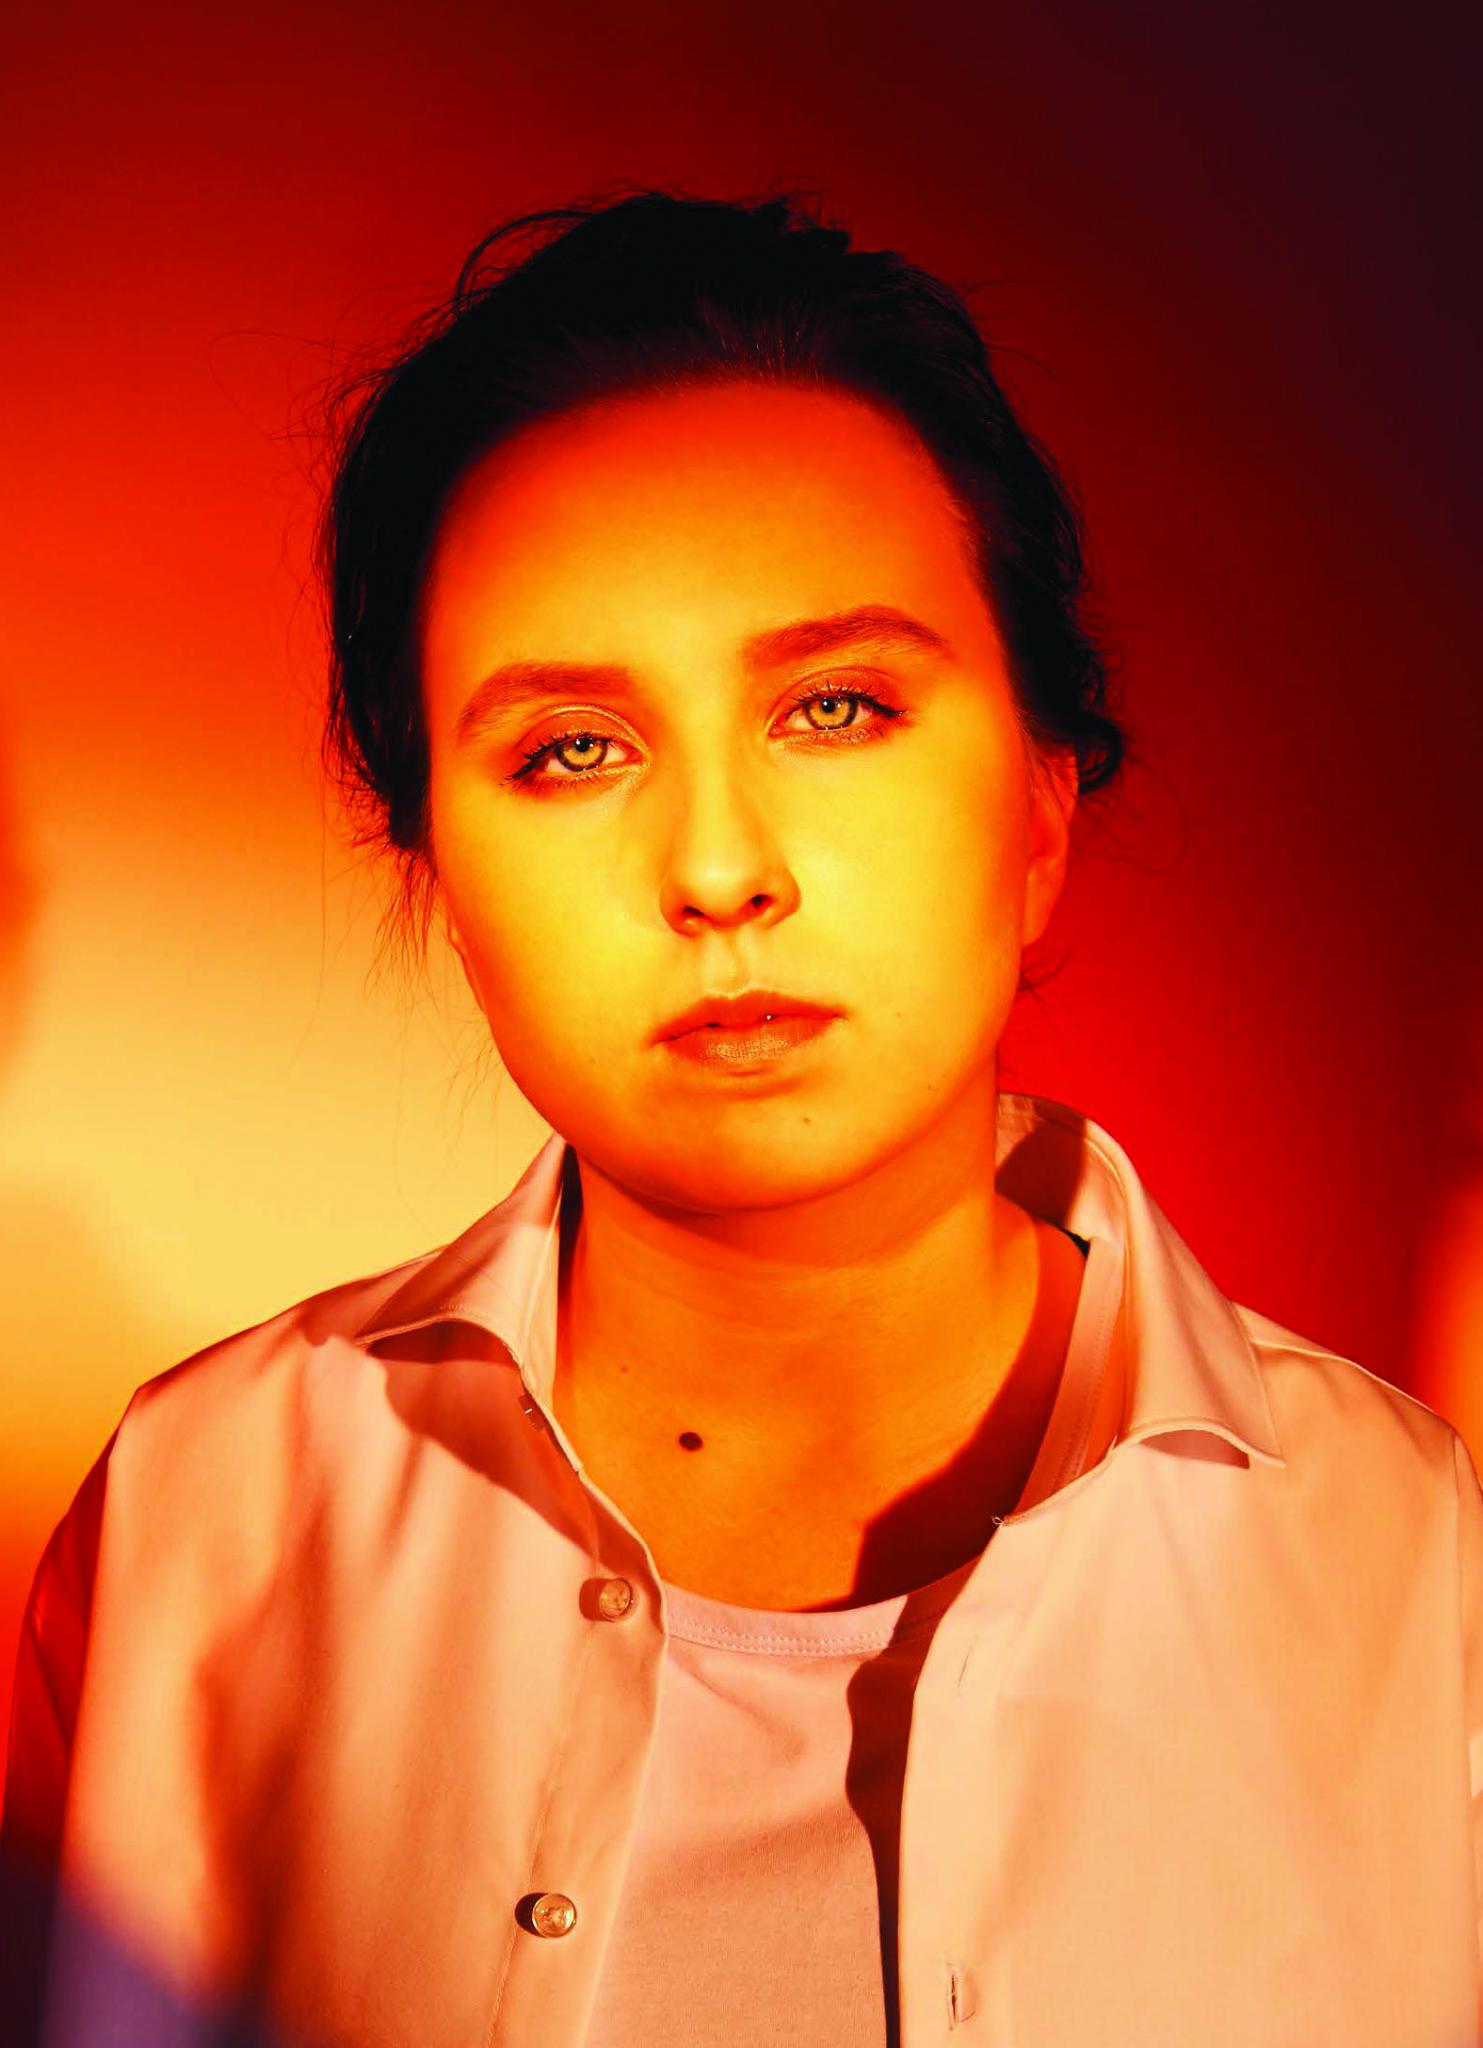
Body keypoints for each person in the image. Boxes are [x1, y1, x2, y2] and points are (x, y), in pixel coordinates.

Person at [3, 184, 1481, 2048]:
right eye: (573, 750)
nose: (717, 869)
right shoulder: (197, 1518)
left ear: (1042, 802)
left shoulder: (1421, 1564)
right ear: (435, 859)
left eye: (837, 709)